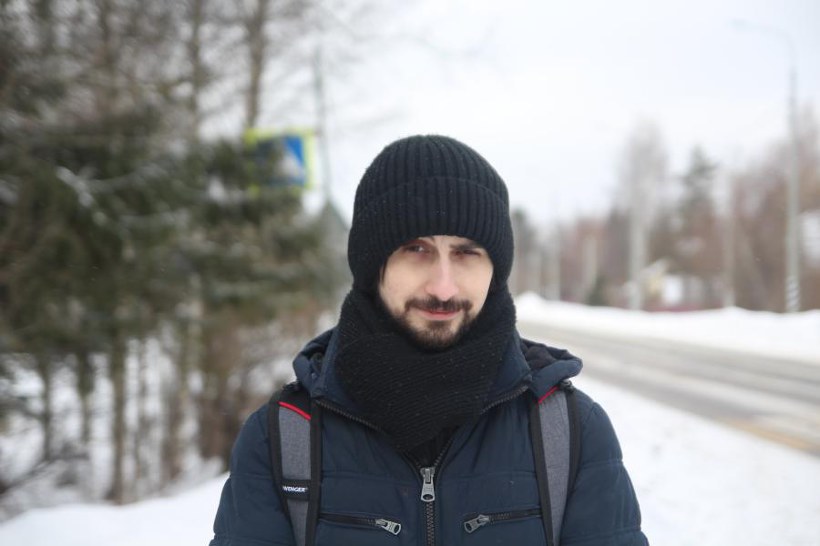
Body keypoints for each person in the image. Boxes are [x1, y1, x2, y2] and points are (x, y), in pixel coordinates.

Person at [209, 135, 648, 545]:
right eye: (416, 249)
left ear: (495, 270)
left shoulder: (569, 434)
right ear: (372, 265)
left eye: (467, 252)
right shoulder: (285, 440)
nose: (443, 287)